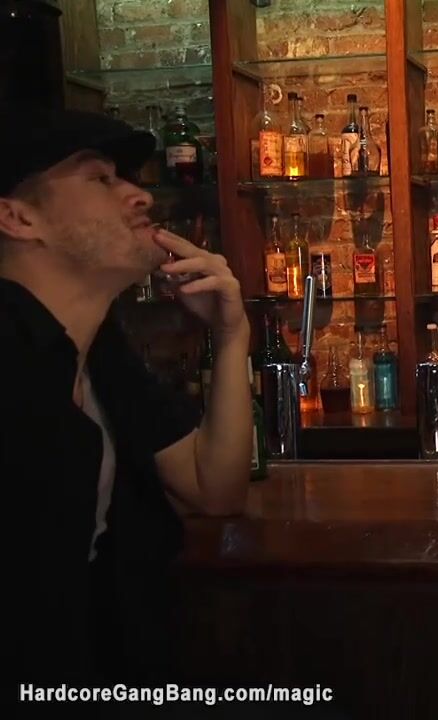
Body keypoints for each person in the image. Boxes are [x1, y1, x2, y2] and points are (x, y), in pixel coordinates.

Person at [1, 107, 253, 690]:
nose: (140, 196)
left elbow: (213, 488)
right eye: (100, 179)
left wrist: (231, 334)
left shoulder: (99, 352)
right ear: (17, 217)